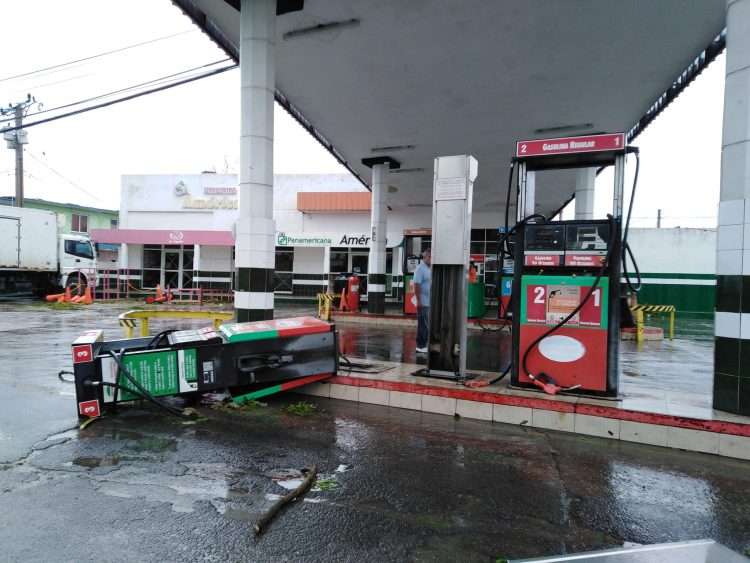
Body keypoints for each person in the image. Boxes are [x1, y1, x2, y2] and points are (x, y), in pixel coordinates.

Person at [413, 248, 432, 353]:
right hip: (423, 301)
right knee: (423, 324)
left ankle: (424, 344)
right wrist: (418, 300)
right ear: (425, 257)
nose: (431, 259)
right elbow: (416, 285)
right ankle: (420, 346)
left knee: (427, 324)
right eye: (430, 257)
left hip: (429, 301)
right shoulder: (420, 268)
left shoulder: (429, 268)